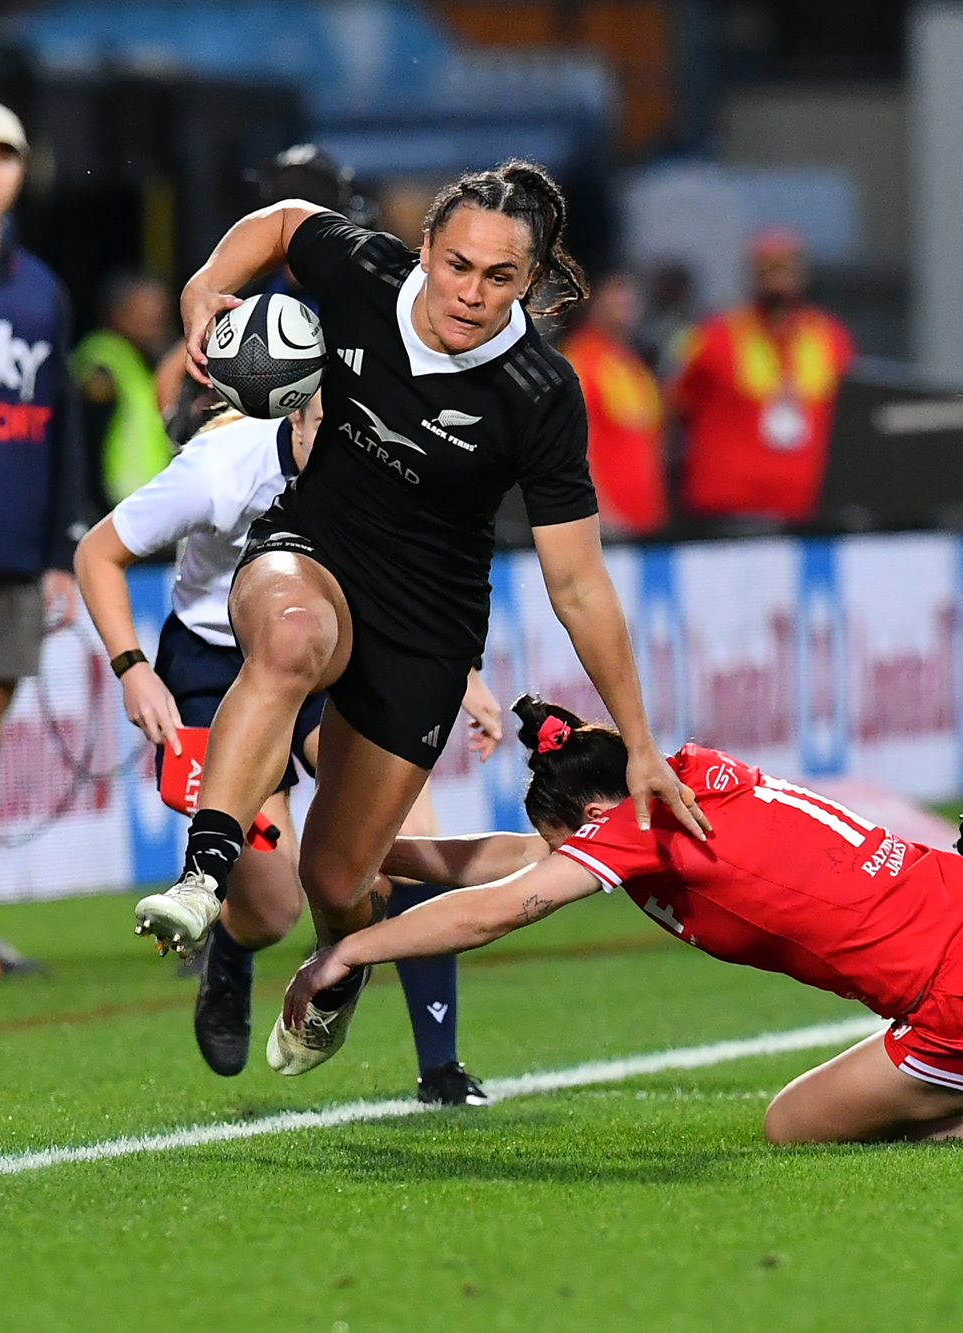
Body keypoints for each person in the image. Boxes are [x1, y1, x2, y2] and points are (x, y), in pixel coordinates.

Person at [133, 158, 706, 1083]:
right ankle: (205, 874)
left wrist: (638, 742)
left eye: (499, 277)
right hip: (311, 548)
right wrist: (206, 286)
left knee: (338, 878)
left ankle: (340, 965)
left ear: (533, 281)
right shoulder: (367, 275)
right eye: (455, 265)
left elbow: (579, 585)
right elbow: (282, 222)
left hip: (426, 625)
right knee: (286, 641)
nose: (470, 294)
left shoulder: (539, 393)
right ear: (427, 248)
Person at [282, 698, 963, 1143]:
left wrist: (348, 949)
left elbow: (499, 907)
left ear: (587, 823)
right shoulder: (686, 777)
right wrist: (373, 853)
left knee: (796, 1124)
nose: (555, 859)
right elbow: (510, 862)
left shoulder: (631, 829)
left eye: (564, 842)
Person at [74, 392, 499, 1103]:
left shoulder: (376, 462)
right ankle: (234, 953)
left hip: (332, 651)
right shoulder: (220, 467)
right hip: (219, 666)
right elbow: (97, 552)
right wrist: (132, 668)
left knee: (412, 829)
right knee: (273, 907)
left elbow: (403, 585)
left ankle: (440, 1067)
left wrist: (464, 677)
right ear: (294, 416)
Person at [0, 97, 83, 977]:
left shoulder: (41, 289)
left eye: (5, 156)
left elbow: (61, 431)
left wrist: (61, 553)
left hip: (15, 554)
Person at [670, 227, 853, 523]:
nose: (778, 276)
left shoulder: (832, 337)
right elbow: (677, 405)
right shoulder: (713, 336)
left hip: (808, 505)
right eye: (768, 267)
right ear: (752, 275)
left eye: (786, 266)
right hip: (729, 506)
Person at [561, 269, 668, 535]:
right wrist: (599, 511)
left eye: (630, 297)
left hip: (647, 519)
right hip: (607, 524)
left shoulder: (637, 368)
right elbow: (572, 444)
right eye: (616, 295)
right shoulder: (579, 360)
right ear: (593, 301)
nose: (625, 304)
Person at [73, 270, 175, 508]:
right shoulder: (102, 354)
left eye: (160, 317)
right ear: (117, 314)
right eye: (144, 317)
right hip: (111, 503)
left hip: (151, 500)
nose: (154, 326)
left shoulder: (150, 362)